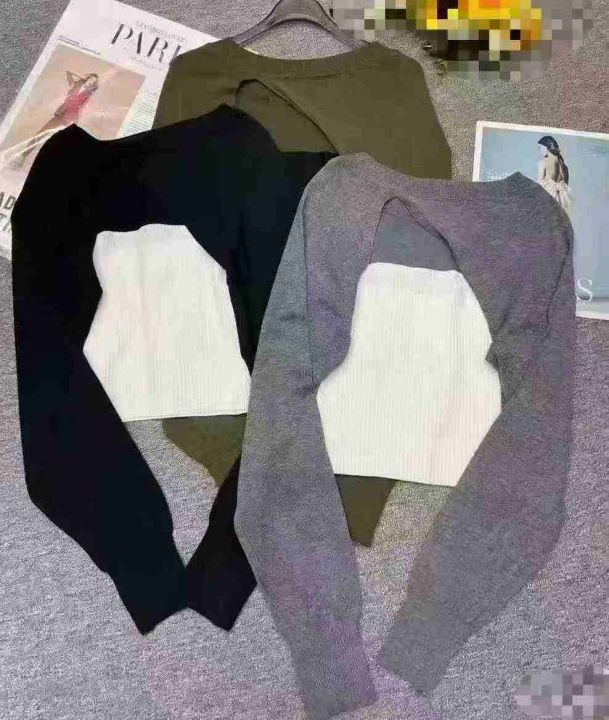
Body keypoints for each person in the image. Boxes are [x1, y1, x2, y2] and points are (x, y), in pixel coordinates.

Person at [537, 135, 572, 213]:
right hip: (562, 200)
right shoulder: (563, 165)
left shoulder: (543, 163)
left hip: (548, 198)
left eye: (540, 148)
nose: (539, 151)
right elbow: (566, 185)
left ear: (546, 148)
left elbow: (540, 186)